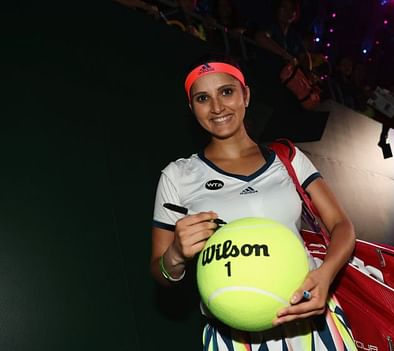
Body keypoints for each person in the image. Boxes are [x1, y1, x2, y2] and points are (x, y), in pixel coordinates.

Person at [150, 52, 358, 350]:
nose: (217, 107)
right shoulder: (177, 176)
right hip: (234, 336)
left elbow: (342, 225)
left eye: (226, 91)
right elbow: (160, 271)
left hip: (310, 319)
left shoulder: (288, 158)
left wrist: (325, 275)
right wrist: (176, 255)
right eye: (202, 98)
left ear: (245, 95)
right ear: (191, 107)